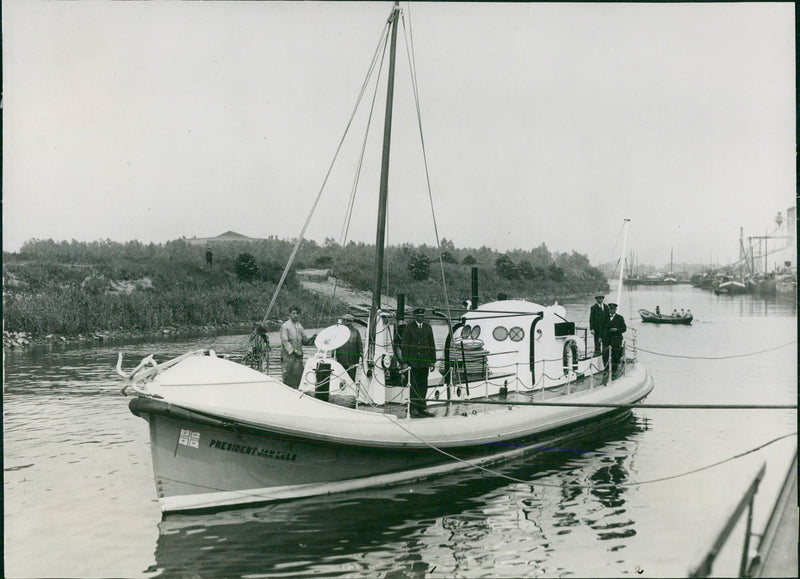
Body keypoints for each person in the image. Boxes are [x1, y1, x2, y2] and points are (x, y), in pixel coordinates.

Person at [401, 307, 437, 417]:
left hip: (424, 363)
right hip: (413, 363)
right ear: (414, 316)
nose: (420, 317)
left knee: (423, 385)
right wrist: (405, 362)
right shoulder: (409, 328)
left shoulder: (428, 327)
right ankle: (413, 408)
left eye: (422, 316)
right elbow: (404, 346)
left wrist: (432, 361)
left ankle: (422, 407)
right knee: (413, 386)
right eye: (418, 316)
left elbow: (432, 344)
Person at [280, 306, 316, 388]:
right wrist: (294, 351)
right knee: (287, 376)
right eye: (293, 313)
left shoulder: (299, 326)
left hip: (298, 357)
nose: (295, 315)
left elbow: (304, 341)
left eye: (297, 313)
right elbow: (285, 341)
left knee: (298, 376)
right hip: (287, 357)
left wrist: (312, 338)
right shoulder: (285, 326)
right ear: (289, 314)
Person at [336, 314, 363, 381]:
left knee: (351, 377)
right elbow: (334, 343)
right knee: (341, 377)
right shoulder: (338, 330)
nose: (349, 323)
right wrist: (333, 355)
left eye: (351, 321)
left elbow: (359, 344)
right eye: (347, 321)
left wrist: (362, 355)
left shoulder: (356, 331)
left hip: (353, 359)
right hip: (341, 359)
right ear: (343, 321)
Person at [603, 303, 627, 378]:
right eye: (610, 309)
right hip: (607, 340)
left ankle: (614, 371)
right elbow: (602, 328)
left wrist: (616, 330)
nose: (612, 310)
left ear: (615, 309)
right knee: (606, 355)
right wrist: (600, 337)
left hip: (616, 340)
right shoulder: (605, 317)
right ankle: (606, 371)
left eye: (613, 309)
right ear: (609, 309)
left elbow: (624, 329)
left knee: (616, 356)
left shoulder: (620, 318)